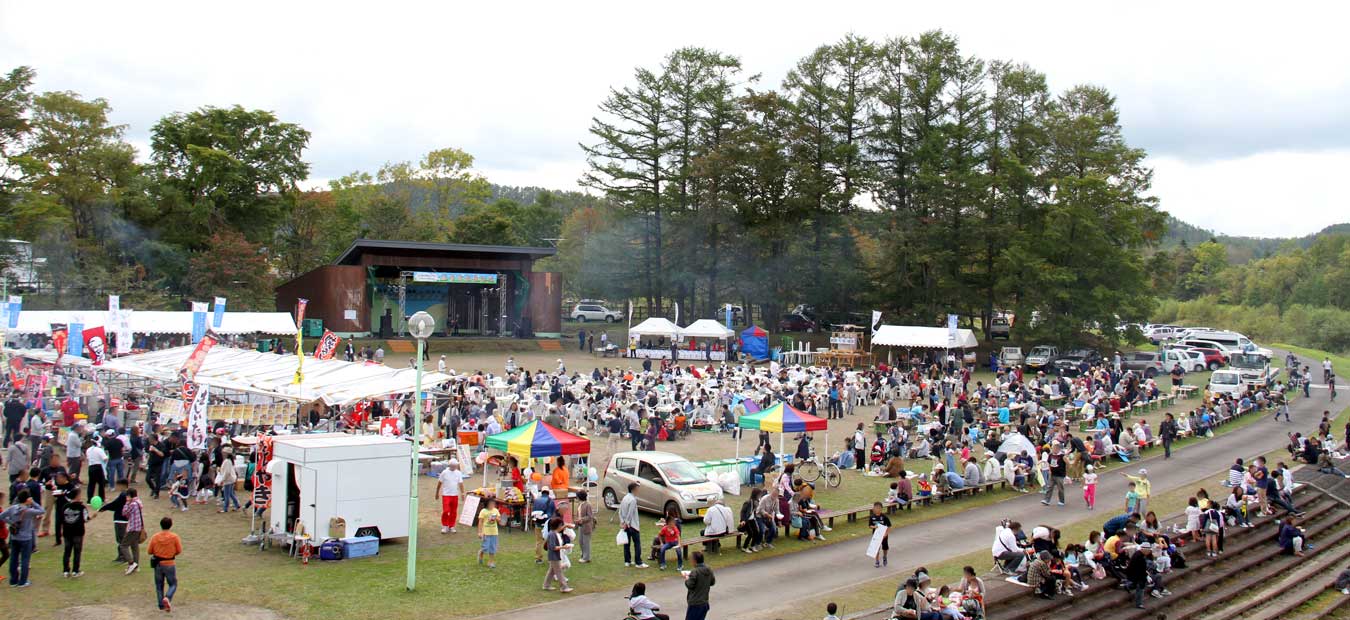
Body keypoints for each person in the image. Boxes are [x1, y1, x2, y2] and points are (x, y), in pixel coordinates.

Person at [1, 489, 44, 587]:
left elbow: (1, 516)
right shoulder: (28, 511)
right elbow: (42, 510)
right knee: (25, 559)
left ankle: (13, 580)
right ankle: (23, 581)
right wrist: (33, 502)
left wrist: (11, 523)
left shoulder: (12, 508)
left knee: (13, 558)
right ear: (27, 499)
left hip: (15, 537)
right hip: (26, 538)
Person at [148, 516, 183, 612]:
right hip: (169, 563)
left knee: (159, 585)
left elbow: (149, 551)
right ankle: (167, 597)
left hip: (158, 564)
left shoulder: (155, 537)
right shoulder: (174, 537)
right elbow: (179, 550)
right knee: (173, 584)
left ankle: (161, 605)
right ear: (170, 525)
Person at [61, 487, 93, 577]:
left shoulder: (65, 506)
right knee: (77, 551)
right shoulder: (82, 507)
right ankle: (75, 570)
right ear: (77, 496)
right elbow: (85, 519)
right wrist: (93, 517)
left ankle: (66, 570)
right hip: (78, 532)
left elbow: (62, 519)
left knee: (67, 552)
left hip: (67, 532)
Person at [619, 482, 648, 568]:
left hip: (626, 525)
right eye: (637, 489)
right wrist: (627, 523)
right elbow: (630, 513)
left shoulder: (624, 498)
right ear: (633, 489)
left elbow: (620, 511)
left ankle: (627, 561)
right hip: (632, 525)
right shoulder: (633, 500)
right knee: (637, 543)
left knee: (626, 543)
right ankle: (638, 562)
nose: (638, 491)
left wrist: (622, 522)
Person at [542, 516, 573, 592]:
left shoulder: (554, 533)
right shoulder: (552, 535)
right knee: (559, 572)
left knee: (551, 571)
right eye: (561, 525)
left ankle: (546, 585)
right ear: (558, 526)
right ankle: (564, 587)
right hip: (554, 556)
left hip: (554, 556)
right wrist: (563, 547)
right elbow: (552, 547)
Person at [684, 550, 715, 620]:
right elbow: (712, 582)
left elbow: (690, 585)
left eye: (691, 559)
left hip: (695, 603)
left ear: (695, 561)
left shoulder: (695, 571)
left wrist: (686, 579)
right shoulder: (708, 569)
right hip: (704, 602)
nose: (690, 561)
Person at [435, 460, 463, 534]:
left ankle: (451, 526)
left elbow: (460, 484)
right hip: (446, 495)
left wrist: (462, 493)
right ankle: (445, 525)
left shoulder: (458, 473)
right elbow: (439, 483)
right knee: (446, 511)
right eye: (453, 466)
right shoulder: (444, 473)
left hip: (455, 495)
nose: (455, 467)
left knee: (453, 511)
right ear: (450, 466)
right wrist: (437, 493)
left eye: (456, 466)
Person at [121, 488, 145, 575]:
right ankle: (136, 565)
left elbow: (124, 512)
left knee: (123, 546)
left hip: (132, 528)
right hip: (138, 528)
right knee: (134, 547)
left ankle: (131, 563)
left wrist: (127, 503)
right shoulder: (138, 502)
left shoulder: (132, 504)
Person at [476, 496, 501, 568]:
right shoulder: (483, 511)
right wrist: (480, 532)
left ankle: (491, 562)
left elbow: (499, 520)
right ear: (487, 504)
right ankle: (481, 553)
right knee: (485, 547)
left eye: (493, 503)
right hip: (485, 533)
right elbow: (480, 522)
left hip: (494, 532)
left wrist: (496, 518)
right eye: (491, 503)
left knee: (493, 548)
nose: (492, 505)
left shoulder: (496, 510)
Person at [868, 502, 891, 568]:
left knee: (885, 548)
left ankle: (884, 557)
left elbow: (889, 526)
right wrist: (874, 527)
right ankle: (877, 561)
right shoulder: (872, 517)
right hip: (876, 536)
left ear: (881, 509)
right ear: (874, 508)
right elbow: (870, 526)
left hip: (884, 536)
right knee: (876, 549)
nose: (877, 509)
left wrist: (886, 534)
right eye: (876, 508)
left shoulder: (884, 517)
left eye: (879, 508)